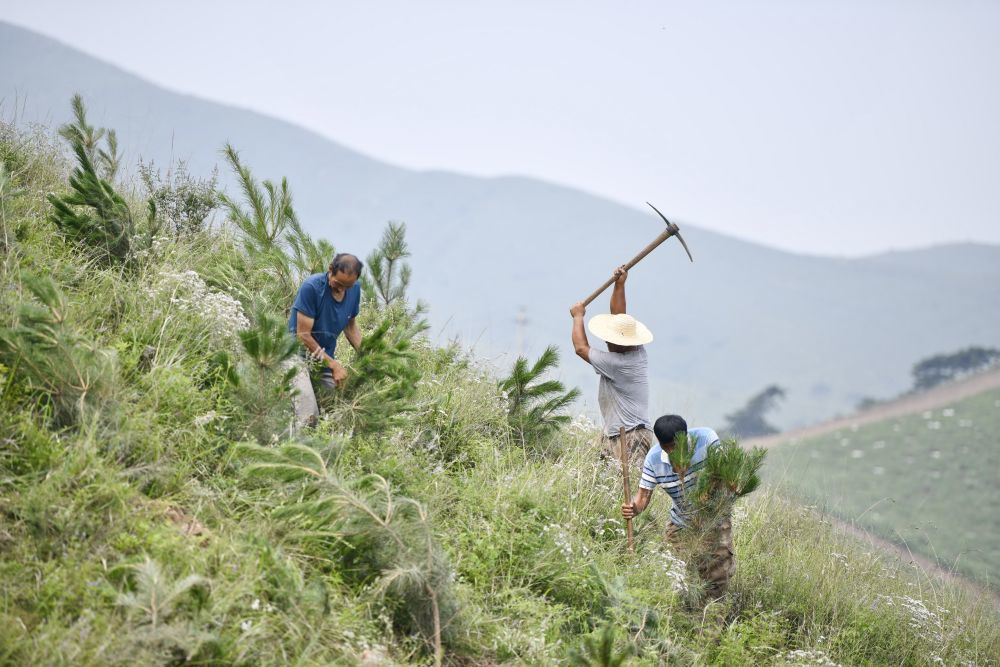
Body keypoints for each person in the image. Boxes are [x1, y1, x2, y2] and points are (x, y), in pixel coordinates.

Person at [621, 414, 735, 598]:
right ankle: (685, 616)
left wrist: (707, 495)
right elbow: (642, 499)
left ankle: (710, 622)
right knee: (679, 577)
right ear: (660, 443)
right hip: (680, 523)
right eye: (668, 448)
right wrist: (633, 508)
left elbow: (724, 473)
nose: (673, 453)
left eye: (677, 446)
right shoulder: (653, 459)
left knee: (717, 579)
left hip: (714, 520)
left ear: (685, 436)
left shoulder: (706, 439)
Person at [569, 265, 654, 462]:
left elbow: (581, 348)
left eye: (609, 339)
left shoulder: (619, 364)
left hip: (631, 436)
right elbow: (619, 319)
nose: (606, 341)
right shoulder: (638, 351)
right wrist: (620, 285)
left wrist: (578, 317)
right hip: (616, 433)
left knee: (628, 488)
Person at [287, 253, 364, 426]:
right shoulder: (312, 288)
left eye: (347, 287)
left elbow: (350, 327)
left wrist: (367, 355)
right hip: (295, 355)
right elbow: (303, 335)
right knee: (309, 414)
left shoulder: (355, 289)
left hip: (323, 359)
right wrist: (334, 365)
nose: (341, 290)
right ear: (330, 270)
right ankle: (299, 450)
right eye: (338, 284)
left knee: (337, 411)